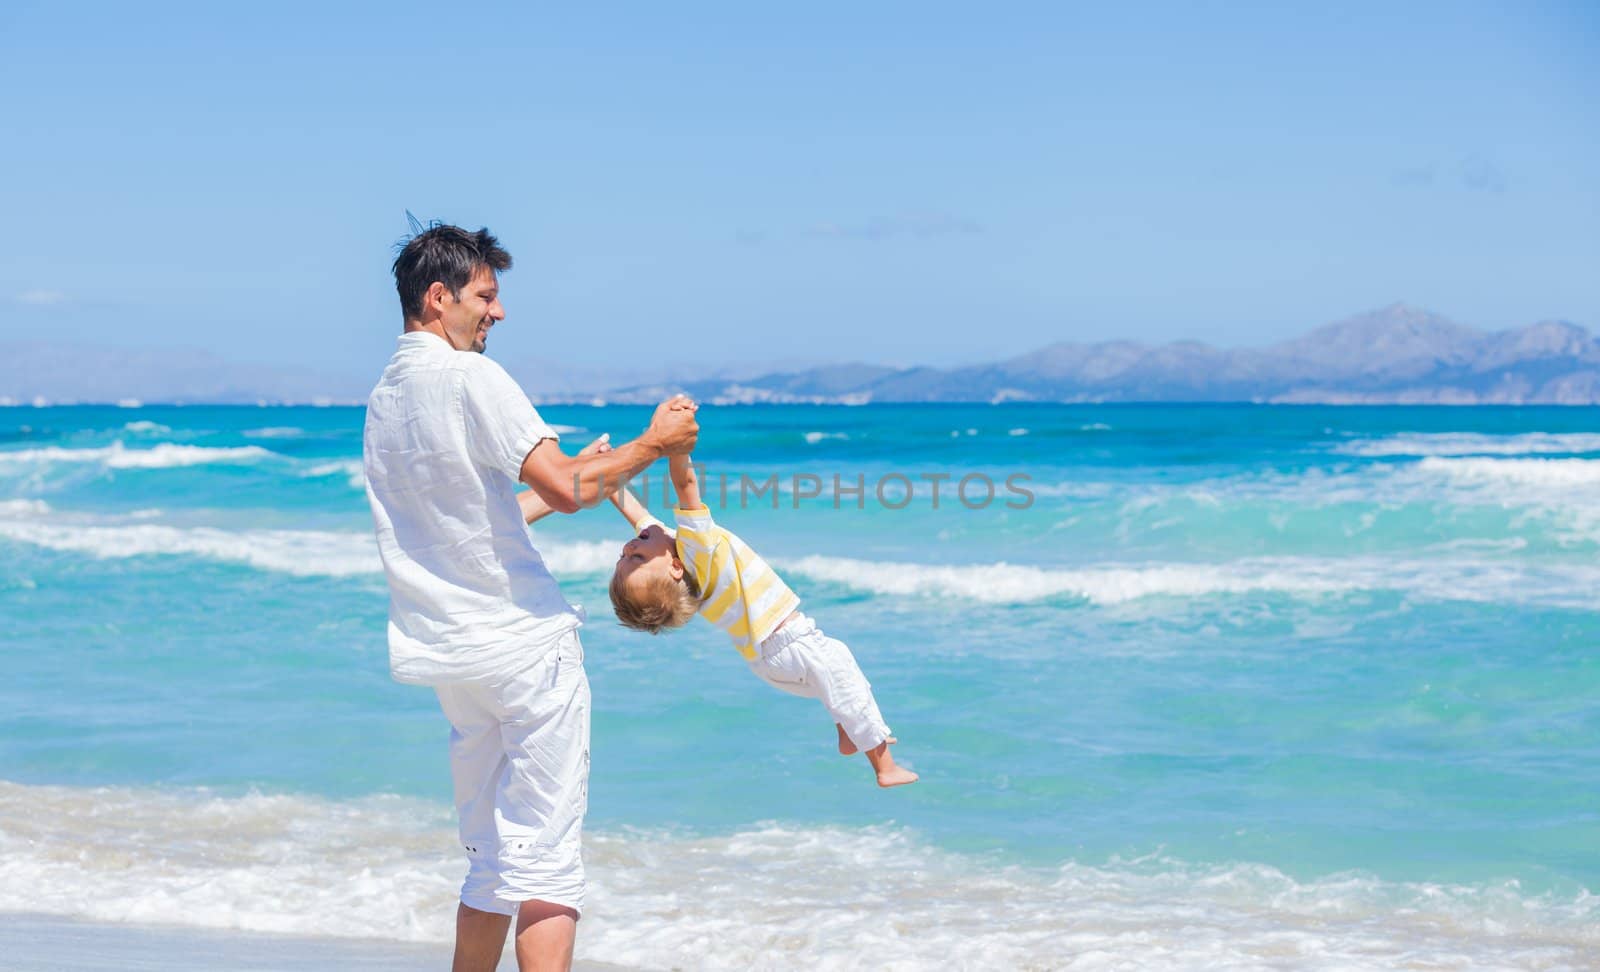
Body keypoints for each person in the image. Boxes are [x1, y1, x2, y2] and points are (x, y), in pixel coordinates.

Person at [362, 222, 698, 972]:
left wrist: (581, 470)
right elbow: (568, 491)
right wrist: (656, 442)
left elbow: (489, 516)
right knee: (545, 865)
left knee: (488, 864)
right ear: (439, 296)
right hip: (522, 650)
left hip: (453, 661)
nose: (499, 314)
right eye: (487, 296)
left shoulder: (385, 399)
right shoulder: (471, 377)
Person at [520, 443, 917, 788]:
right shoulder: (698, 547)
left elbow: (636, 514)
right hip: (789, 643)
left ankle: (849, 732)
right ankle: (884, 765)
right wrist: (678, 449)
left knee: (841, 689)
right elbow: (686, 486)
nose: (629, 547)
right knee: (844, 674)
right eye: (636, 556)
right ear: (674, 569)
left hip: (766, 661)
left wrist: (611, 482)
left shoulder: (681, 560)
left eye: (626, 556)